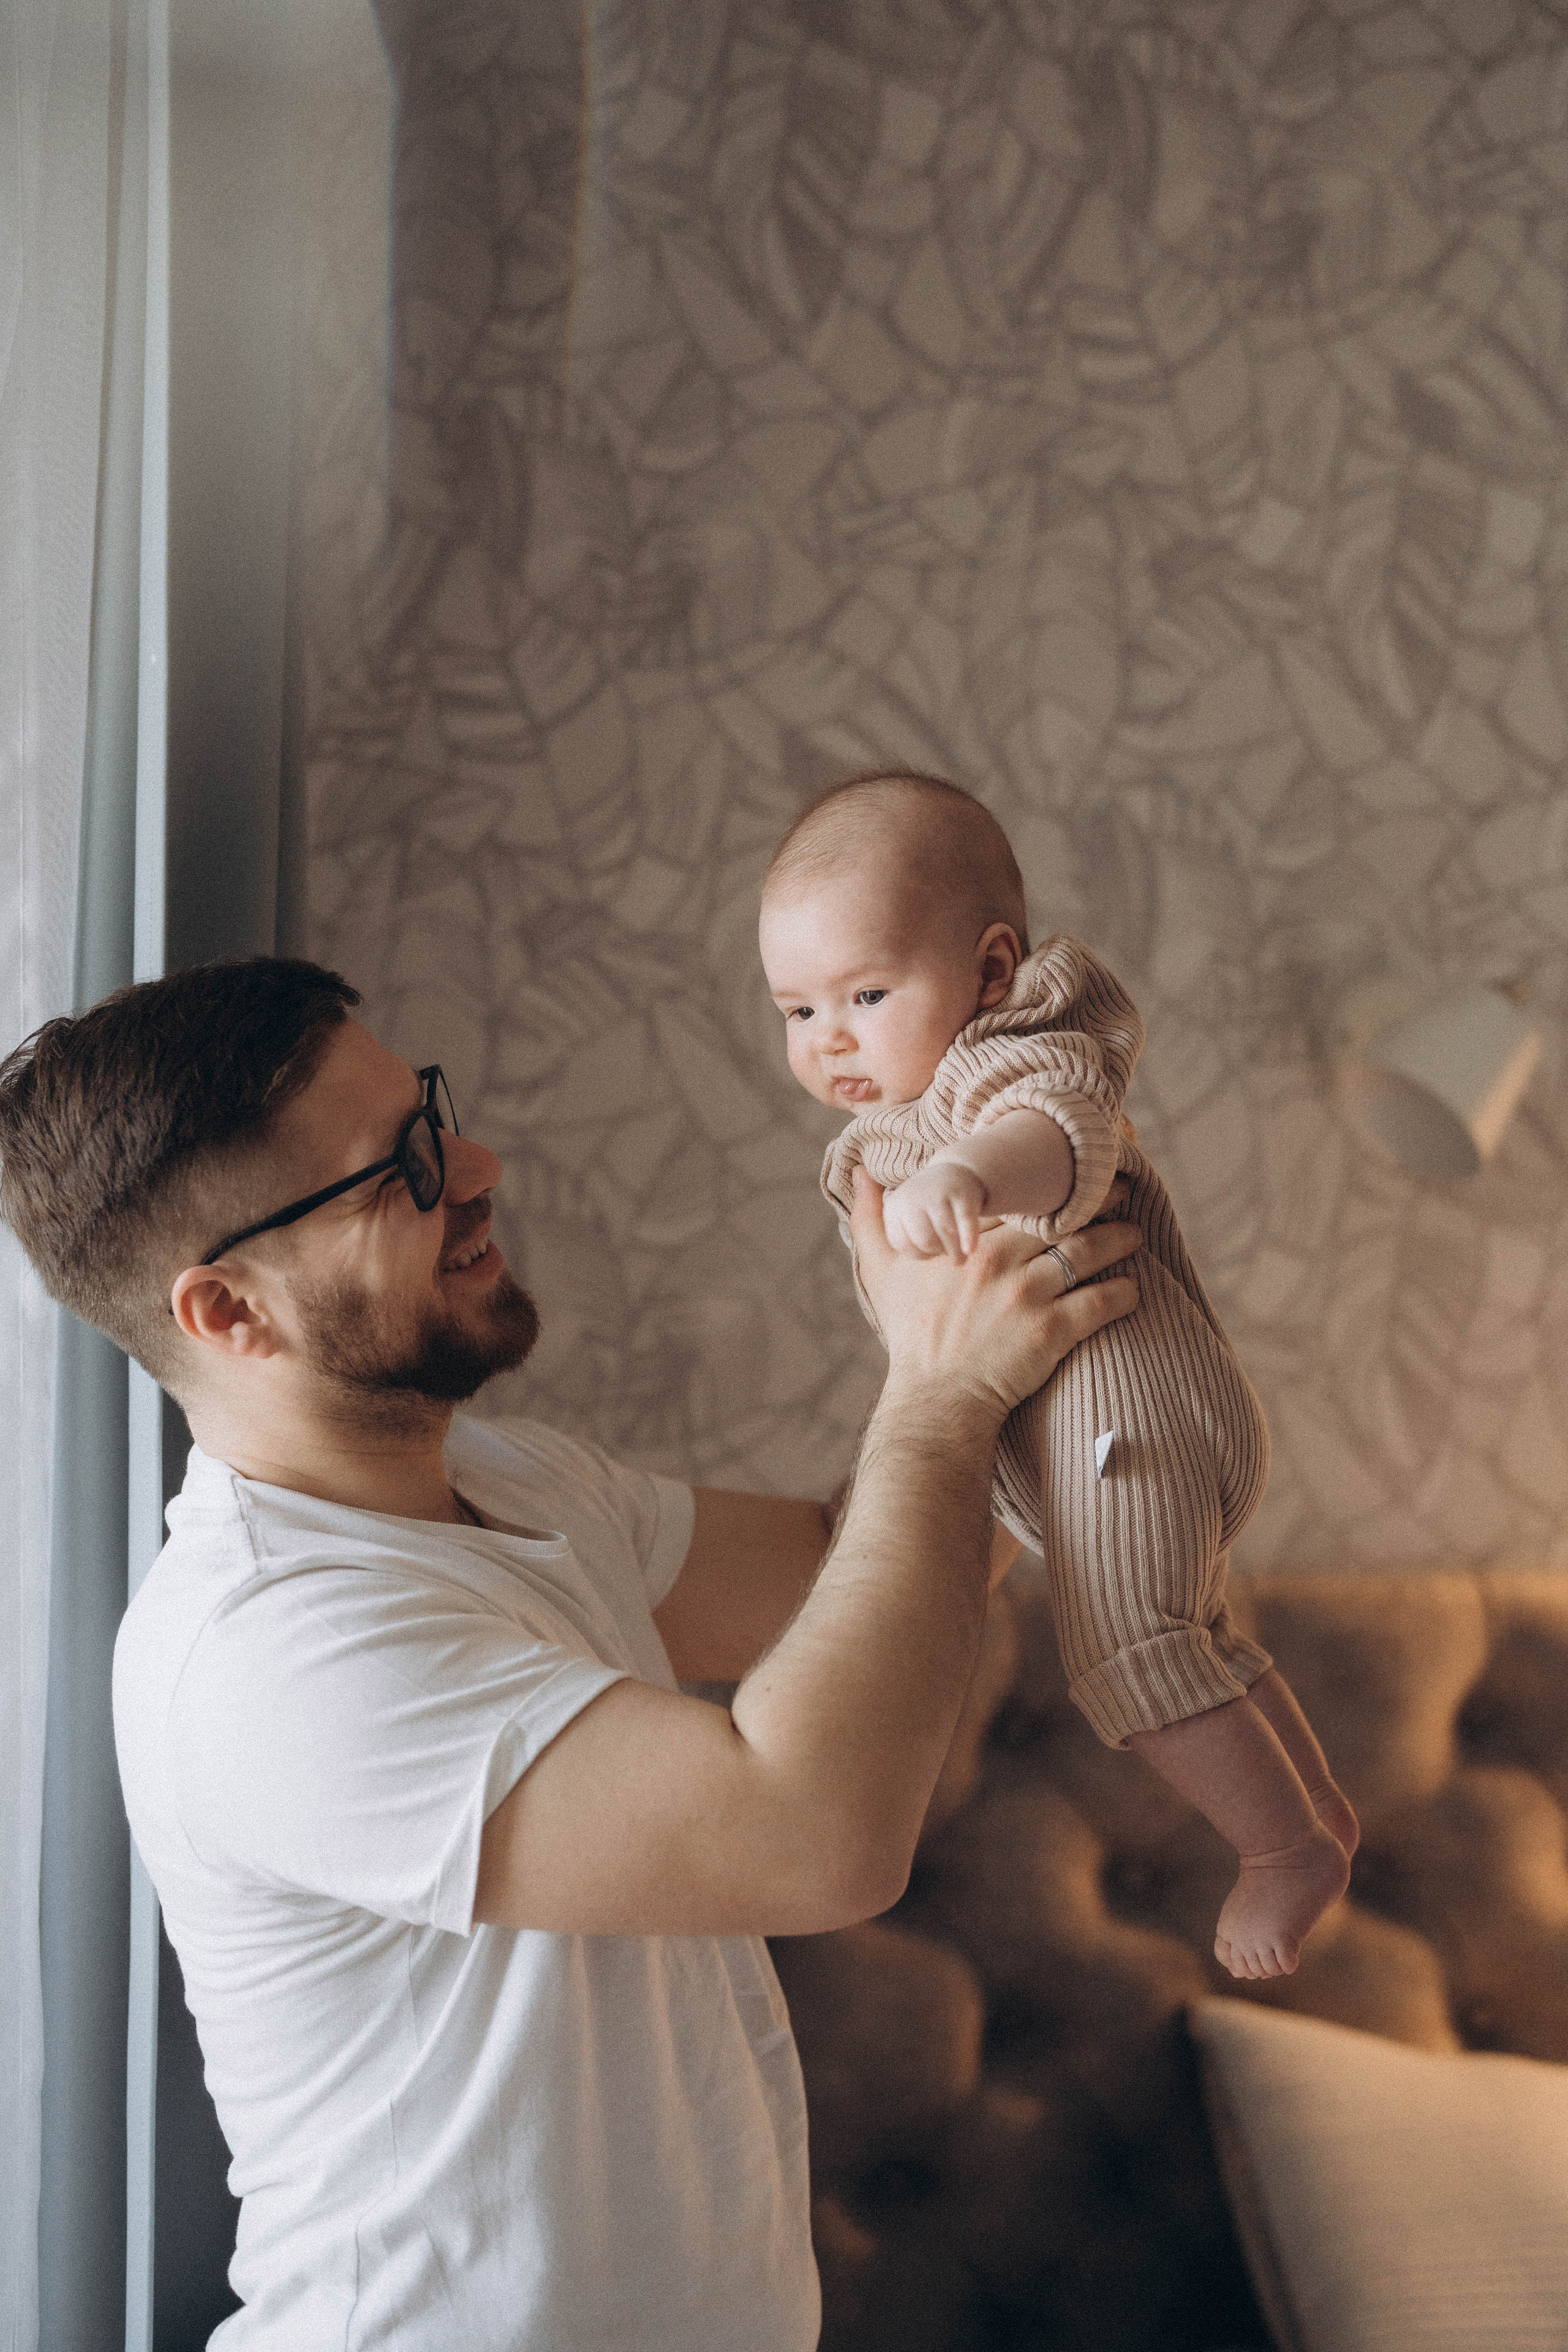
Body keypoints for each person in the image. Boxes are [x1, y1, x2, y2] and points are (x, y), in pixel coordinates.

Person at [0, 955, 1140, 2352]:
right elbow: (811, 1835)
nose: (473, 1165)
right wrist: (945, 1389)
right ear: (228, 1313)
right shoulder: (271, 1657)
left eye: (429, 1112)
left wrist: (1032, 1277)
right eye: (395, 1172)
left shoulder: (502, 1475)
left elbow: (863, 1561)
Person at [758, 772, 1359, 1981]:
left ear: (986, 973)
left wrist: (972, 1178)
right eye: (797, 1009)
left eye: (866, 993)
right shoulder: (889, 1130)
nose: (829, 1037)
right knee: (1190, 1633)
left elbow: (1065, 1134)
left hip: (1125, 1418)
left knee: (1123, 1646)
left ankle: (1279, 1848)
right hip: (1082, 1447)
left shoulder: (1008, 1065)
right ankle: (1318, 1813)